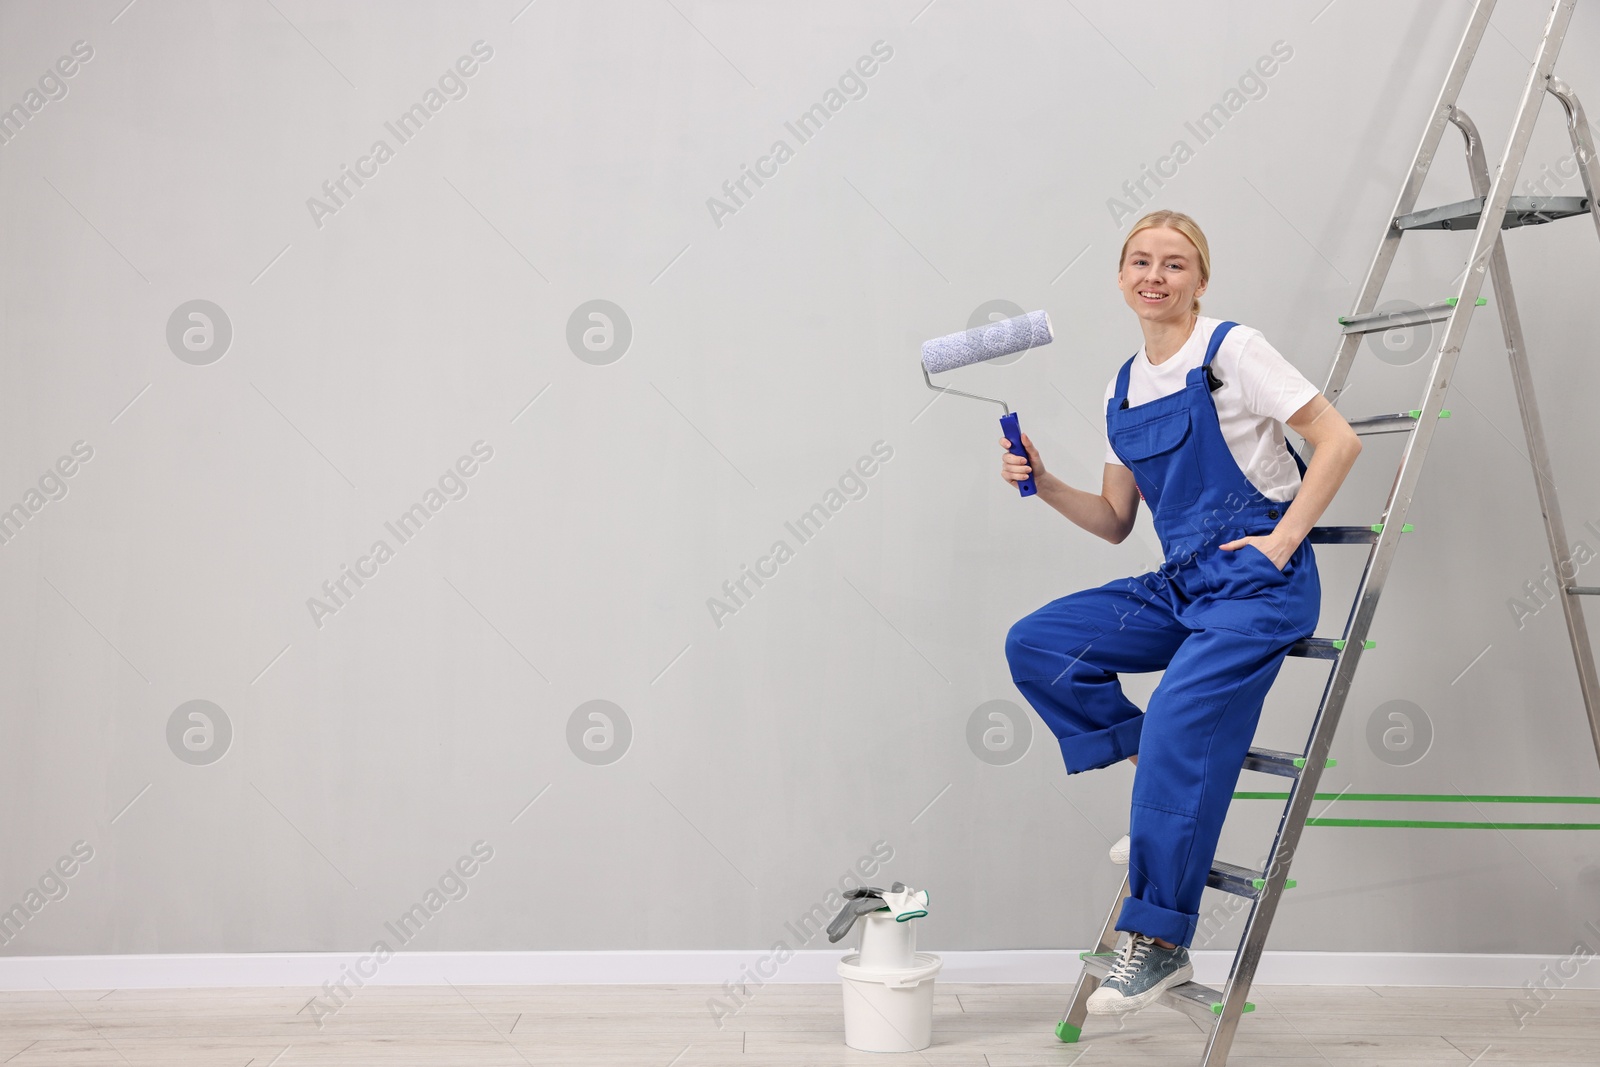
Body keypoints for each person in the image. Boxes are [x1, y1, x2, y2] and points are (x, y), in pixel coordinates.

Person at [1000, 209, 1362, 1014]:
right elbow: (1114, 519)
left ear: (1201, 279)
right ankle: (1159, 790)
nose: (1154, 276)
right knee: (1040, 644)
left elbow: (1339, 441)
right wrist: (1044, 482)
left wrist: (1281, 540)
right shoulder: (1121, 386)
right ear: (1121, 277)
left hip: (1260, 585)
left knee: (1177, 716)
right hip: (1184, 581)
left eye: (1174, 263)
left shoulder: (1231, 349)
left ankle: (1160, 944)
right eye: (1139, 261)